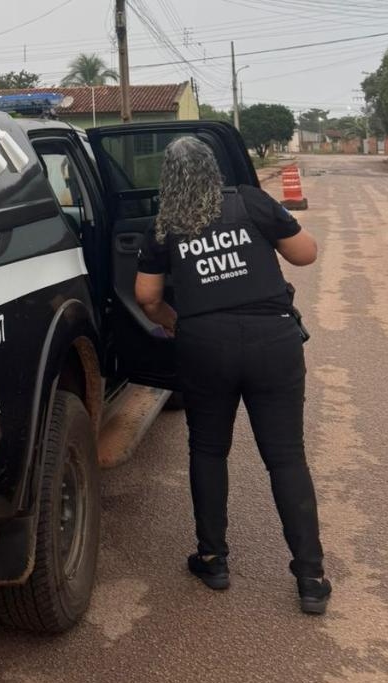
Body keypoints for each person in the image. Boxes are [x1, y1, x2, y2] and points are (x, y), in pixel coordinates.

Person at [134, 136, 331, 614]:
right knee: (286, 458)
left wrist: (174, 322)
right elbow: (305, 254)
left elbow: (147, 298)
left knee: (208, 450)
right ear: (215, 169)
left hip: (205, 347)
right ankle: (310, 577)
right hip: (273, 342)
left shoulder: (164, 226)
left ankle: (213, 559)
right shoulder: (251, 201)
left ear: (168, 178)